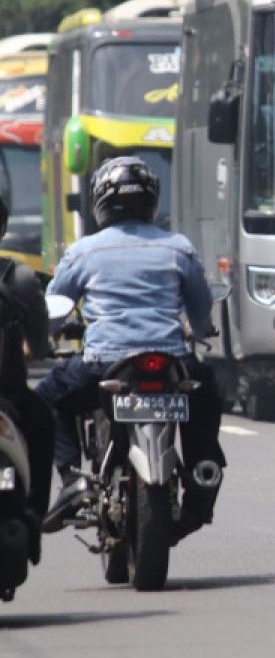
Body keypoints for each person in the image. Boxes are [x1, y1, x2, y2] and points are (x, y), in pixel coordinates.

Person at [37, 156, 225, 539]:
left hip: (104, 364)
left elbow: (53, 309)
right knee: (207, 395)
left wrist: (45, 337)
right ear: (151, 200)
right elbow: (201, 309)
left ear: (100, 202)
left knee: (45, 400)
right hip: (173, 361)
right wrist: (200, 329)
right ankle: (203, 466)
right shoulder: (178, 247)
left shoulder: (84, 251)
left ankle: (72, 478)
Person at [0, 195, 52, 564]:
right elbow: (38, 342)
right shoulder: (15, 276)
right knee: (45, 421)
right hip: (10, 398)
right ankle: (35, 512)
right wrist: (34, 348)